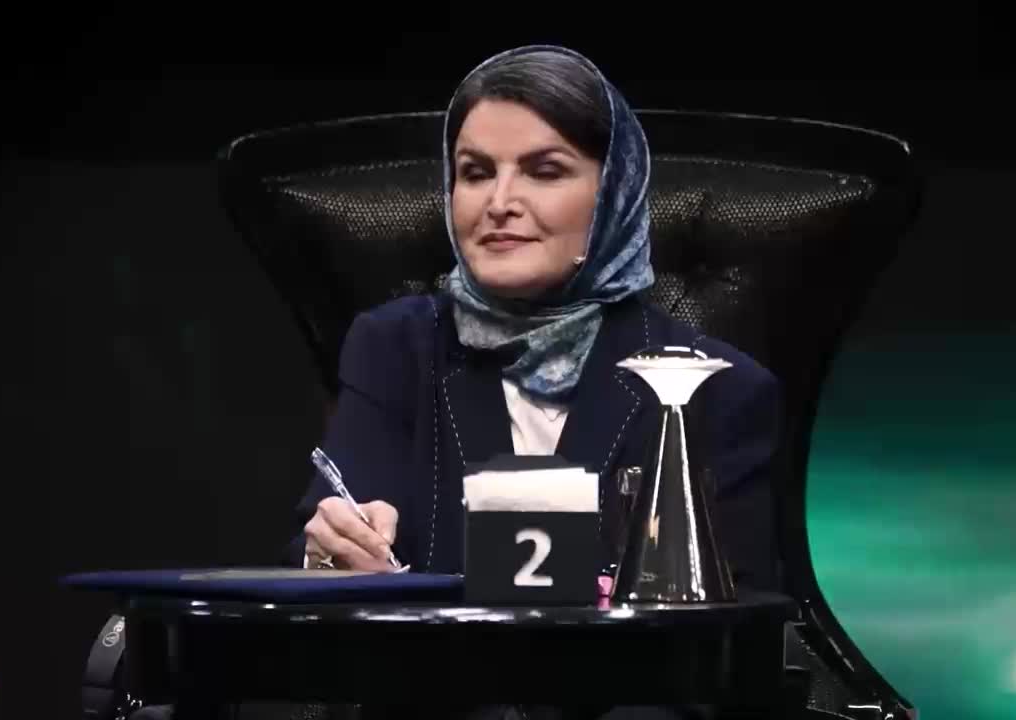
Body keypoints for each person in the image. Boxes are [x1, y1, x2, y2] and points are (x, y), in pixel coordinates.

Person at [284, 44, 784, 598]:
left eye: (544, 172)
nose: (499, 202)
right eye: (476, 173)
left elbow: (742, 618)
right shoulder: (395, 348)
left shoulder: (717, 389)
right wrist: (327, 554)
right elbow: (324, 552)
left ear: (613, 195)